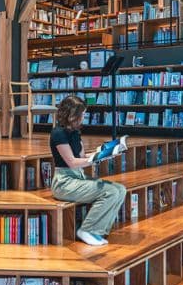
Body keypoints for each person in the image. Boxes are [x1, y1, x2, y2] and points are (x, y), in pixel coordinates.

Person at [48, 96, 127, 246]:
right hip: (65, 182)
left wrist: (106, 153)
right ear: (71, 114)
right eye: (82, 114)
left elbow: (83, 157)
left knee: (120, 189)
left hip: (78, 178)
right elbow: (71, 162)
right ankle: (87, 229)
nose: (84, 117)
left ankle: (98, 230)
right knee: (109, 191)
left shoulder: (76, 133)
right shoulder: (58, 133)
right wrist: (94, 158)